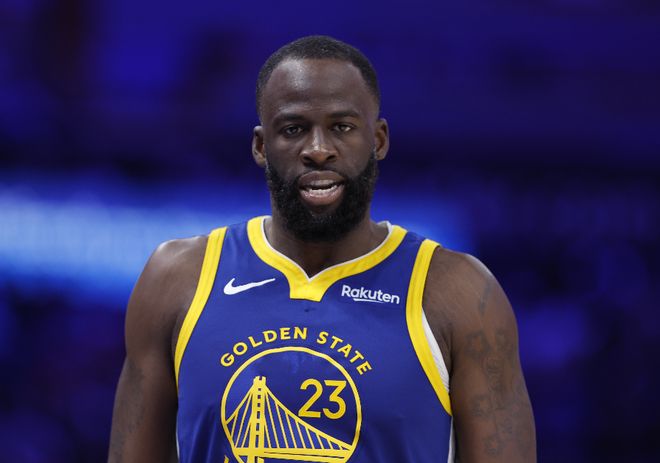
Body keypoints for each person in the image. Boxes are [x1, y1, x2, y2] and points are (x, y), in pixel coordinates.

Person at [108, 35, 536, 463]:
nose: (318, 150)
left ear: (378, 140)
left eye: (342, 127)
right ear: (261, 146)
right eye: (293, 129)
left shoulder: (460, 294)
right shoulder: (177, 278)